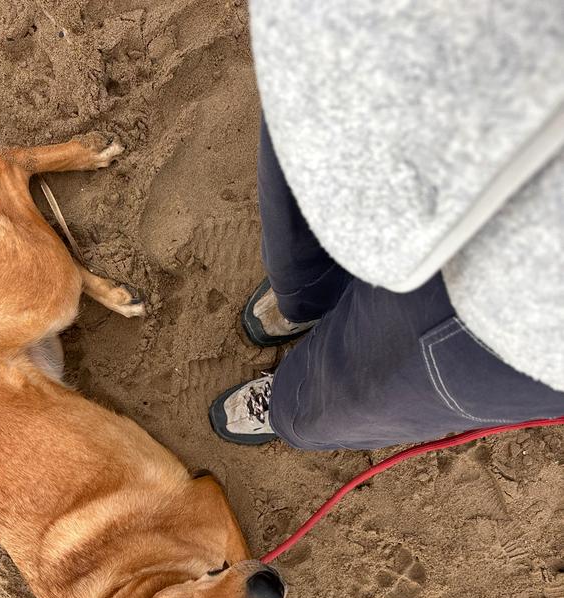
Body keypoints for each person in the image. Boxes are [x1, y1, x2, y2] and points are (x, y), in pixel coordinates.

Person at [209, 1, 564, 450]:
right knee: (303, 209)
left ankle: (292, 401)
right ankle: (305, 300)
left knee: (371, 388)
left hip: (536, 292)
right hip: (406, 45)